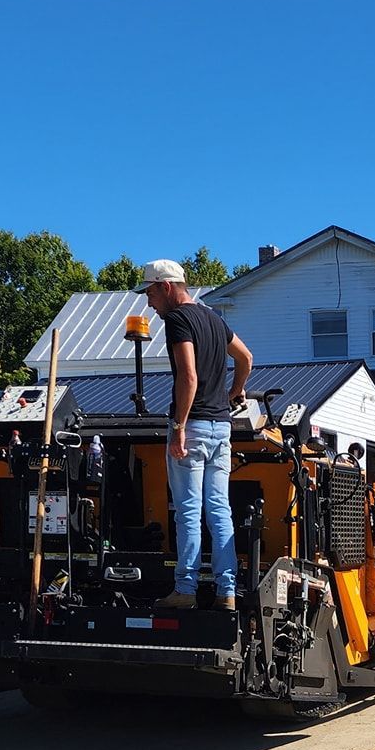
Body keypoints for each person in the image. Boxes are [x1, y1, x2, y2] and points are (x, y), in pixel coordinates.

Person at [138, 260, 254, 609]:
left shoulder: (177, 320)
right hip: (222, 427)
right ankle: (227, 591)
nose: (149, 302)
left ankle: (185, 590)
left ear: (167, 286)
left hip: (195, 426)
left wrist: (178, 428)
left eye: (150, 292)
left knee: (187, 510)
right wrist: (233, 393)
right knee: (219, 509)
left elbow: (187, 377)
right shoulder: (214, 319)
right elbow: (246, 357)